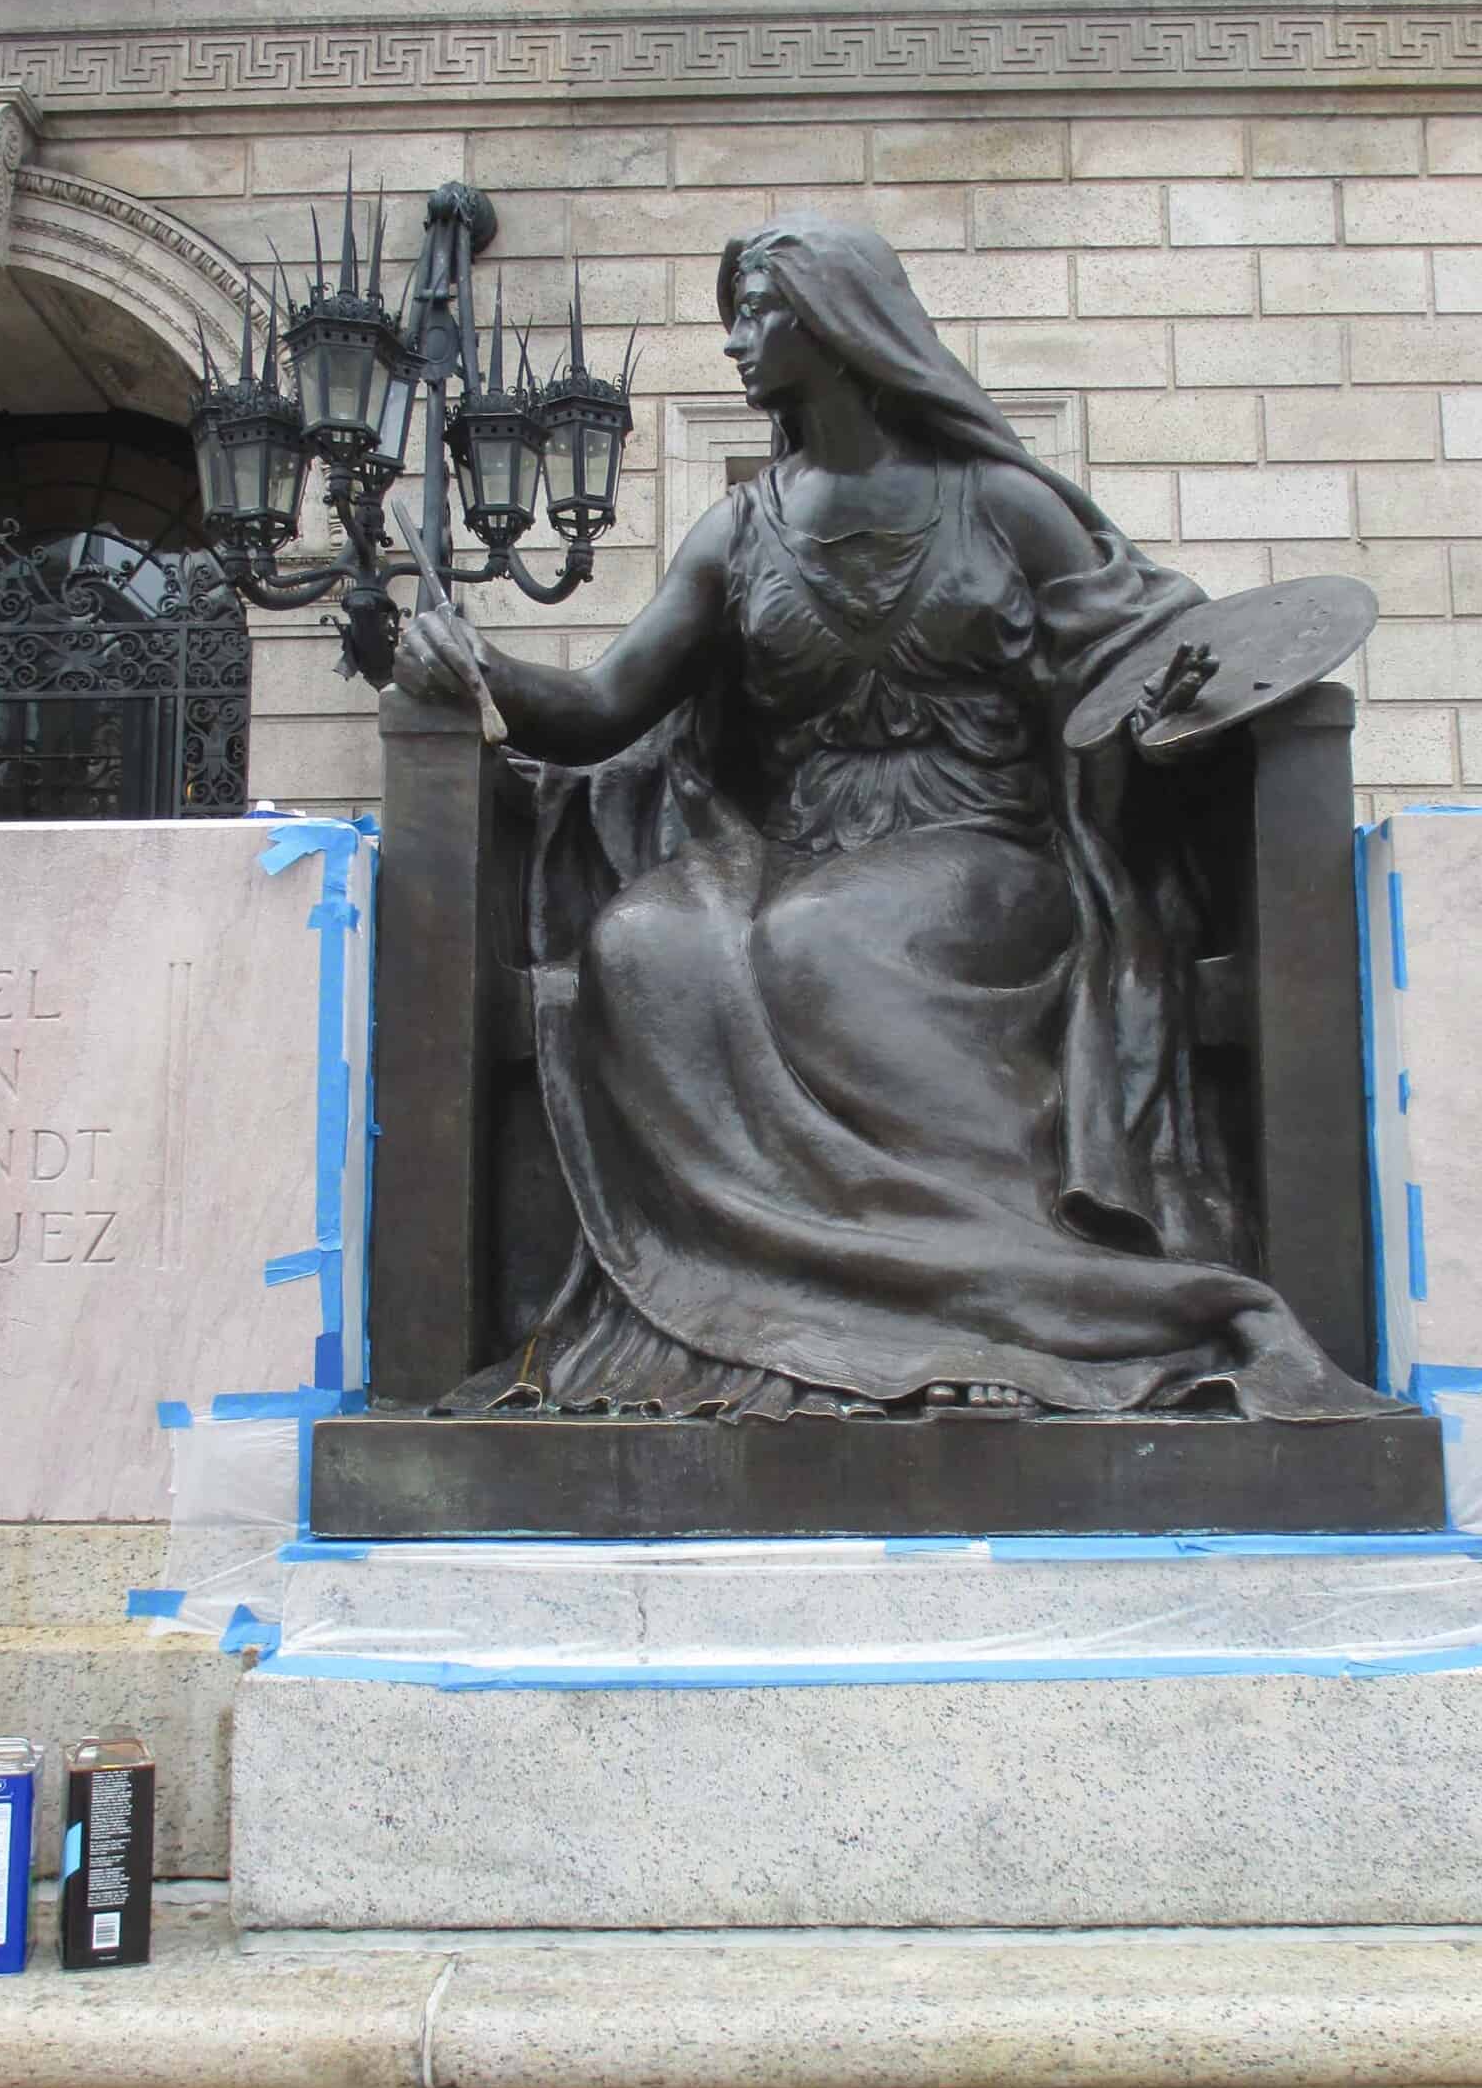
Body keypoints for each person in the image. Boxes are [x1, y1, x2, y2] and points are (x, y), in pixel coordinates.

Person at [395, 215, 1378, 1423]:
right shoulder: (739, 529)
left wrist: (1182, 704)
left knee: (821, 939)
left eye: (759, 313)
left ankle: (999, 1290)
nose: (736, 342)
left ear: (838, 320)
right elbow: (605, 705)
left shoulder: (1005, 505)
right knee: (641, 943)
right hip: (799, 852)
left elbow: (1140, 665)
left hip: (990, 853)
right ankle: (767, 1310)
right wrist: (478, 666)